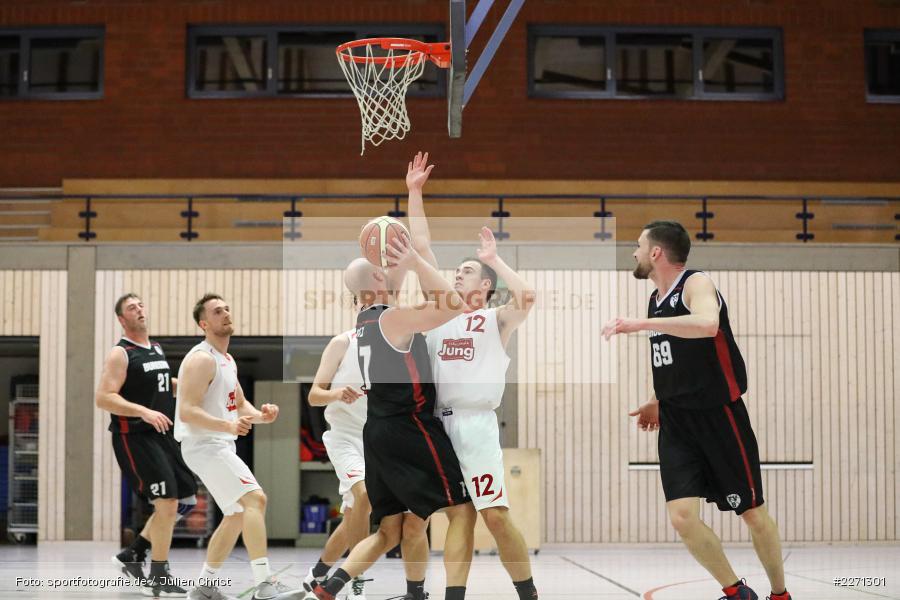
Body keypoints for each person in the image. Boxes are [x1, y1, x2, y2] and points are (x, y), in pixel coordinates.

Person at [601, 221, 792, 600]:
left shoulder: (696, 283)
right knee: (682, 518)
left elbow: (706, 324)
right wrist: (656, 399)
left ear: (656, 252)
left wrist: (639, 324)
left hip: (718, 415)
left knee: (752, 513)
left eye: (638, 245)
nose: (634, 252)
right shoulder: (655, 299)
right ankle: (737, 592)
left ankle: (780, 593)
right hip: (676, 420)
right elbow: (675, 359)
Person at [307, 236, 477, 600]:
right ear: (376, 281)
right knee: (463, 511)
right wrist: (415, 261)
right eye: (381, 271)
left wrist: (414, 246)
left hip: (377, 432)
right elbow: (452, 304)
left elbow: (418, 282)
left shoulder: (366, 323)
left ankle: (331, 586)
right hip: (410, 427)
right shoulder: (393, 319)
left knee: (390, 531)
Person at [405, 151, 539, 600]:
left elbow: (527, 298)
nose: (457, 276)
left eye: (466, 272)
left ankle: (529, 593)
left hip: (477, 425)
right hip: (437, 425)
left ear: (484, 286)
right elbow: (422, 247)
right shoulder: (439, 313)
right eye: (456, 272)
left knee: (494, 516)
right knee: (452, 516)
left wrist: (494, 260)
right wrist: (415, 193)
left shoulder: (495, 319)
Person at [175, 294, 297, 600]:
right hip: (203, 445)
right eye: (217, 311)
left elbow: (239, 404)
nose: (226, 313)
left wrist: (262, 416)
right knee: (256, 499)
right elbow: (187, 411)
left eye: (227, 308)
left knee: (237, 514)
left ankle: (204, 588)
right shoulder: (201, 359)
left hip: (219, 444)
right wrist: (228, 426)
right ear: (204, 324)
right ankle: (264, 585)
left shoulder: (226, 360)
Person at [95, 292, 197, 597]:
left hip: (162, 435)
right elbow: (104, 397)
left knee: (187, 499)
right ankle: (158, 576)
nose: (139, 309)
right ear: (121, 319)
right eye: (131, 307)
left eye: (140, 305)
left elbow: (163, 385)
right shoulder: (121, 353)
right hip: (135, 436)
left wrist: (195, 387)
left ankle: (133, 553)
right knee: (166, 502)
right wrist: (143, 411)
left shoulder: (155, 348)